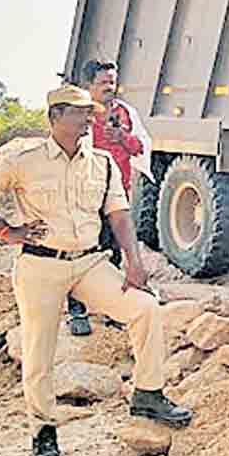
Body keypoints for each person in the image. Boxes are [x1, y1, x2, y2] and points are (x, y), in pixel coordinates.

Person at [0, 84, 191, 456]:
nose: (89, 118)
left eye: (90, 112)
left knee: (144, 307)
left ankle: (148, 393)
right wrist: (6, 231)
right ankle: (43, 430)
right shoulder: (25, 161)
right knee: (39, 351)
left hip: (89, 263)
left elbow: (118, 215)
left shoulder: (101, 163)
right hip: (40, 267)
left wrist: (134, 262)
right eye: (80, 112)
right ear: (55, 117)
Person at [65, 58, 152, 337]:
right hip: (84, 197)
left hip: (118, 197)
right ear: (87, 85)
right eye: (103, 83)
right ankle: (77, 312)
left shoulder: (126, 113)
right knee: (80, 254)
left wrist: (122, 137)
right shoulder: (76, 115)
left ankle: (111, 308)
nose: (109, 87)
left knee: (113, 254)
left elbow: (141, 147)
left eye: (112, 82)